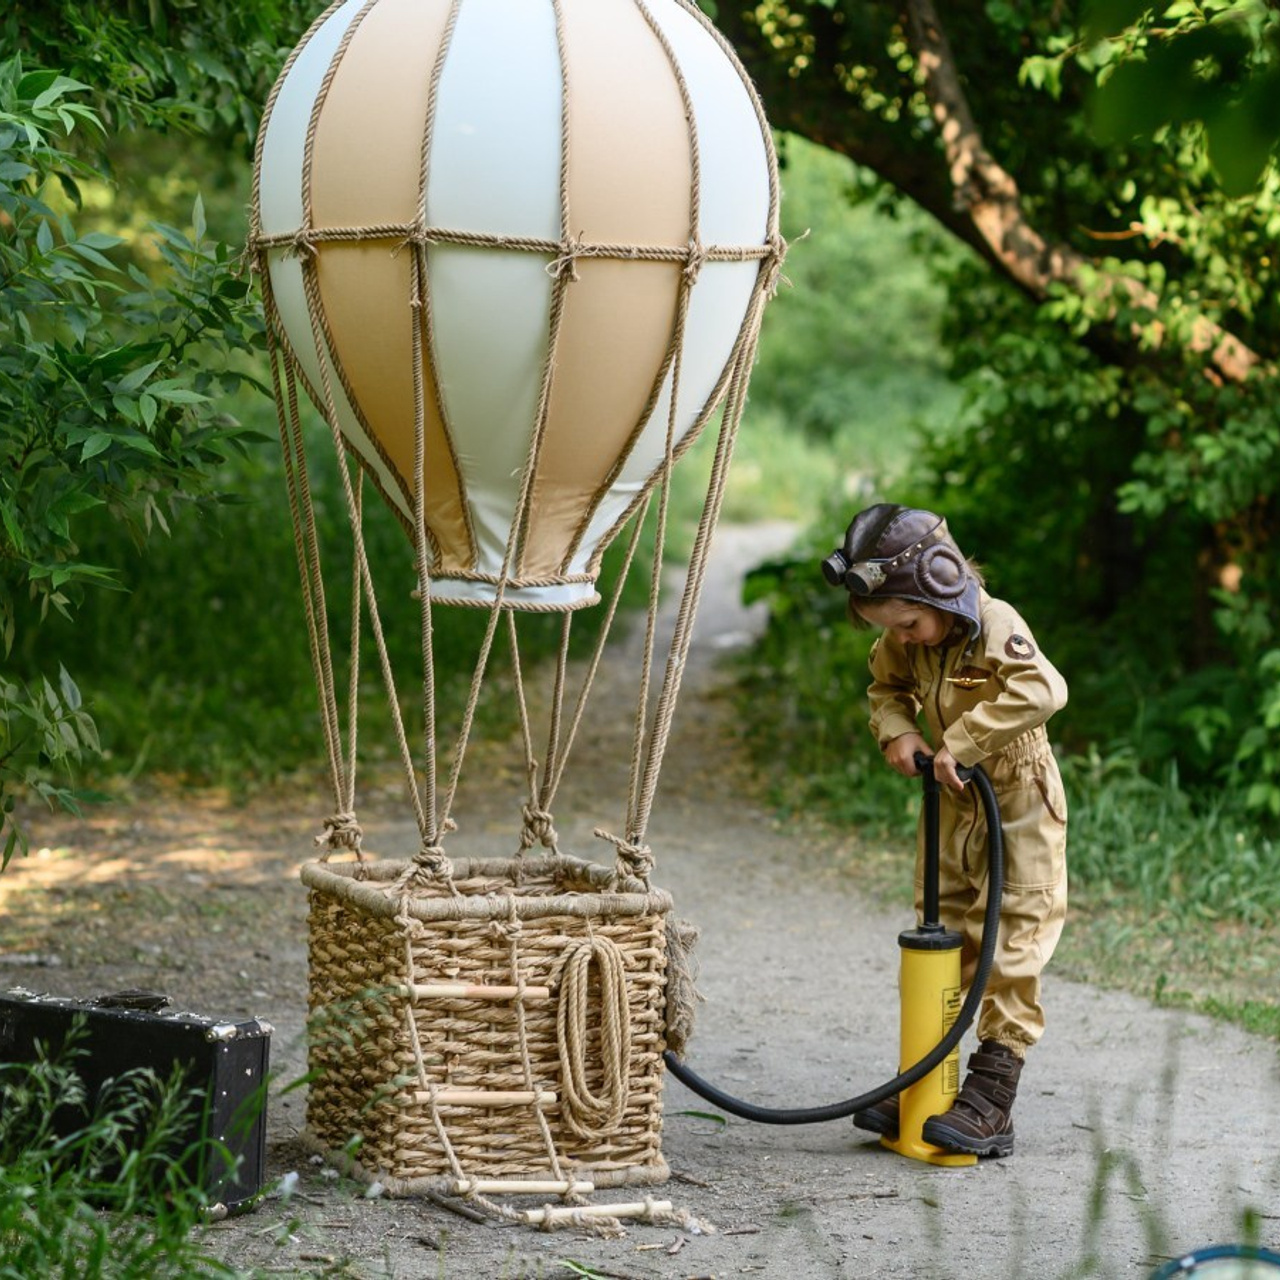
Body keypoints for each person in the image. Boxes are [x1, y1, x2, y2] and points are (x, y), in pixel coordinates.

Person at [821, 503, 1068, 1158]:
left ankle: (992, 1094)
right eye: (891, 628)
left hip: (1016, 800)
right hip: (953, 802)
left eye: (908, 623)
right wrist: (898, 731)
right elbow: (886, 688)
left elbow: (1044, 690)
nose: (902, 638)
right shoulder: (906, 638)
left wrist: (962, 739)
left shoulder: (994, 626)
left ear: (942, 585)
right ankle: (926, 1078)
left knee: (1011, 934)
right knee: (944, 931)